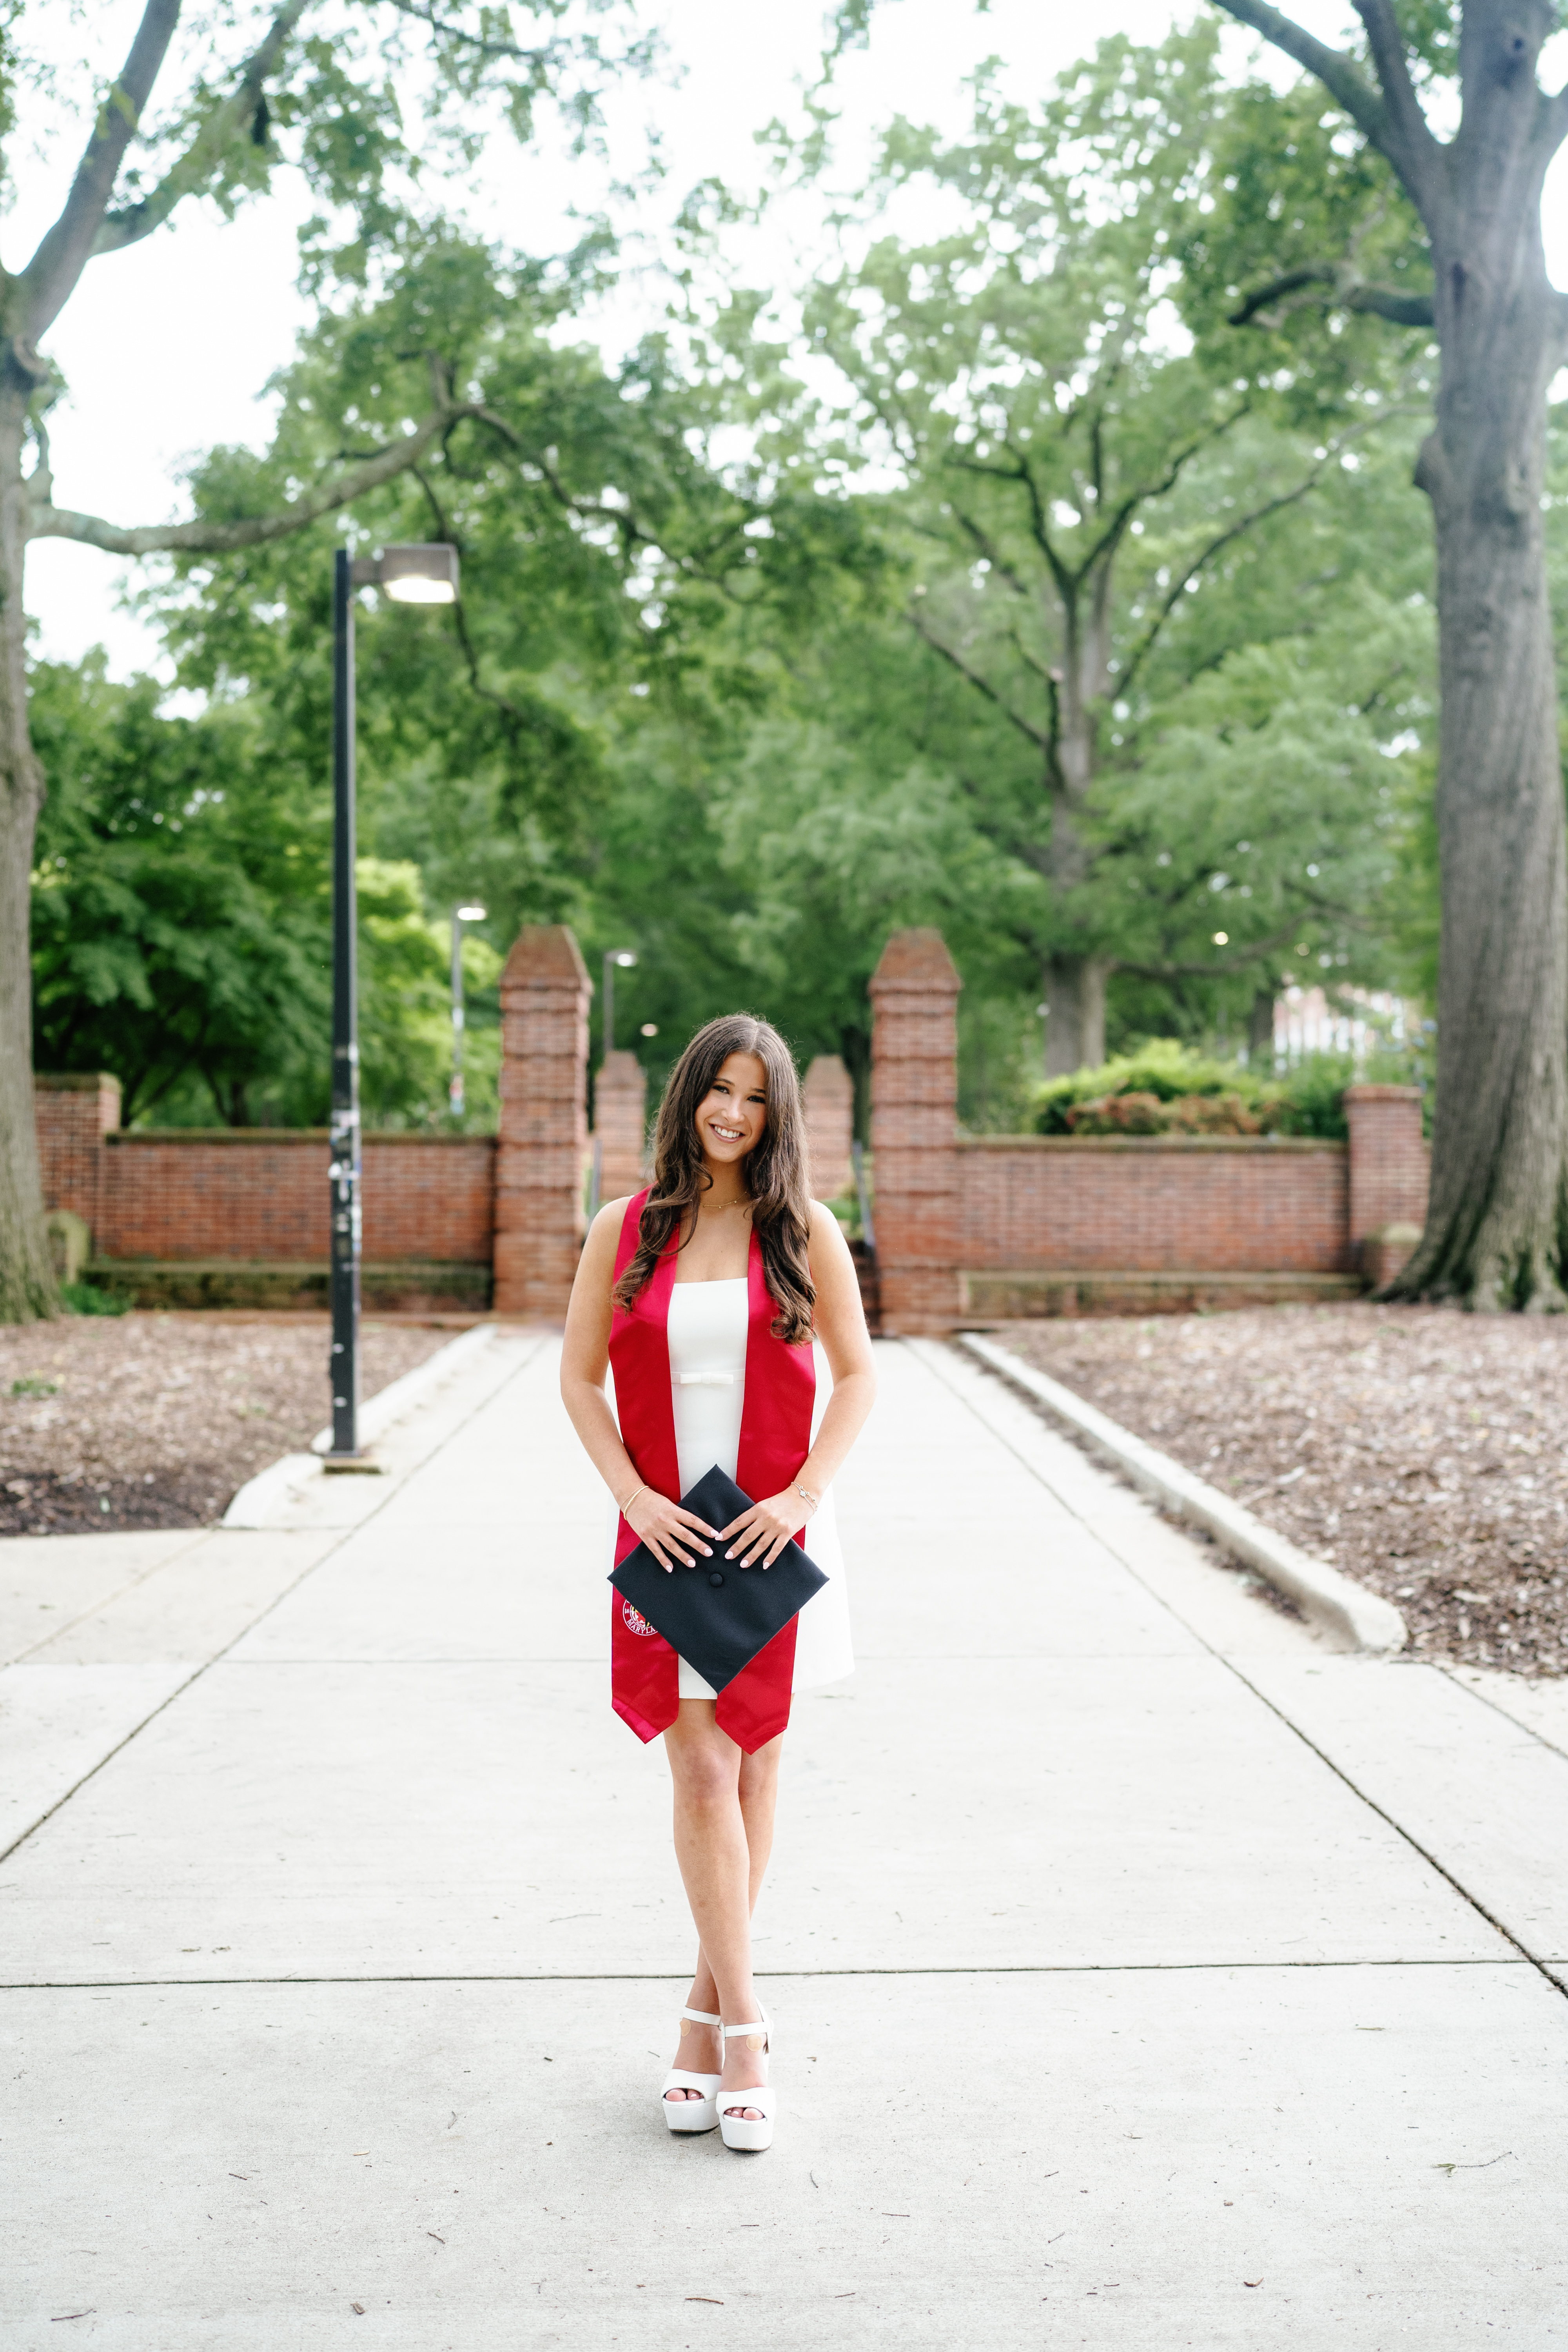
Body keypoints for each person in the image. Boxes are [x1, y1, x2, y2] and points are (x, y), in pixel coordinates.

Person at [561, 1014, 877, 2153]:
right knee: (700, 1769)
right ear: (689, 1095)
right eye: (716, 1089)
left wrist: (797, 1500)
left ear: (776, 1113)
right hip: (667, 1536)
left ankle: (699, 2023)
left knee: (754, 1766)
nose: (731, 1112)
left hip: (771, 1535)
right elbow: (580, 1383)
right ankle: (748, 2025)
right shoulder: (627, 1228)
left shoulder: (803, 1231)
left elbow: (855, 1379)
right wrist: (636, 1500)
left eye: (753, 1096)